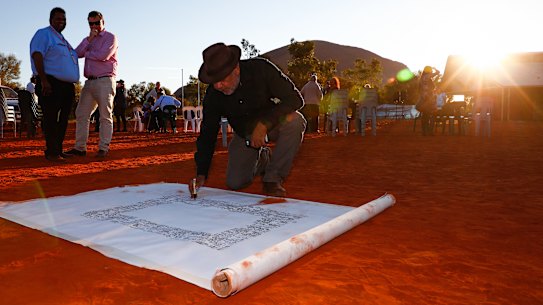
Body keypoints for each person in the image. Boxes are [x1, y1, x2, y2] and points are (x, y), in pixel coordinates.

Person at [189, 42, 306, 197]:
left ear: (236, 69)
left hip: (274, 122)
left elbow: (295, 99)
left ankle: (273, 178)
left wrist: (264, 123)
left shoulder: (261, 69)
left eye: (222, 79)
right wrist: (201, 173)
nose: (218, 85)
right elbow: (208, 132)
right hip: (245, 134)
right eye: (214, 81)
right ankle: (264, 158)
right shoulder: (213, 94)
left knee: (296, 121)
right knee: (235, 182)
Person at [65, 11, 118, 158]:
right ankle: (80, 148)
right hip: (89, 82)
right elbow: (75, 53)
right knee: (81, 114)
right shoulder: (89, 39)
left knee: (105, 115)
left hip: (105, 81)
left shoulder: (111, 38)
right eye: (91, 23)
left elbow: (103, 56)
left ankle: (103, 148)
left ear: (103, 22)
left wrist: (87, 54)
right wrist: (88, 40)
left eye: (97, 23)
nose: (94, 26)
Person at [29, 7, 79, 162]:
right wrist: (43, 80)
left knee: (63, 119)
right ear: (51, 20)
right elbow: (37, 55)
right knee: (51, 118)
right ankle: (52, 152)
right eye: (58, 19)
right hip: (50, 83)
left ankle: (58, 149)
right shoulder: (44, 34)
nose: (61, 22)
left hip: (66, 86)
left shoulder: (63, 40)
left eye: (63, 19)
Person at [416, 66, 439, 136]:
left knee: (426, 116)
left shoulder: (422, 78)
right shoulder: (426, 77)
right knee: (428, 115)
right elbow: (438, 72)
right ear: (428, 71)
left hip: (424, 99)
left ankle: (426, 132)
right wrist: (435, 69)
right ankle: (428, 132)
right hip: (427, 99)